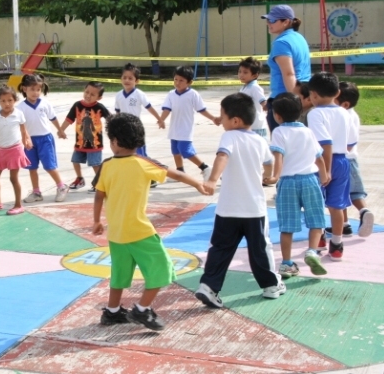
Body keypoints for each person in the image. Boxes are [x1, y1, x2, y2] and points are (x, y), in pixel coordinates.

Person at [94, 114, 207, 331]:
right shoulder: (143, 163)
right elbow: (174, 173)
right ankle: (142, 309)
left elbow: (99, 195)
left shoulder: (106, 166)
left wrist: (97, 220)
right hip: (139, 232)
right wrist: (197, 184)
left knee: (119, 273)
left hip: (116, 233)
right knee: (163, 269)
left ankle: (113, 311)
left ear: (115, 141)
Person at [195, 93, 282, 309]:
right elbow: (269, 164)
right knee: (260, 249)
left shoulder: (229, 137)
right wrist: (269, 177)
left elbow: (222, 156)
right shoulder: (260, 140)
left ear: (235, 121)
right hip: (254, 209)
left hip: (228, 209)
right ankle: (271, 286)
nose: (220, 121)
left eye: (222, 117)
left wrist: (213, 180)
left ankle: (209, 286)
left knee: (220, 249)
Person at [263, 93, 328, 278]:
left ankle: (286, 263)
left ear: (277, 116)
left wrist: (275, 176)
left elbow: (279, 156)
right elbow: (319, 158)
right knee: (316, 220)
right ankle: (312, 252)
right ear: (300, 112)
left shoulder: (279, 132)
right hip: (309, 179)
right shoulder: (307, 131)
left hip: (288, 182)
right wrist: (323, 176)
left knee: (287, 226)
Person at [307, 72, 354, 261]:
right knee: (337, 206)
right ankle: (337, 245)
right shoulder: (344, 112)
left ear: (314, 95)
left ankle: (319, 240)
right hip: (343, 161)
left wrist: (324, 170)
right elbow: (350, 141)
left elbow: (325, 144)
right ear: (337, 92)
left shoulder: (315, 113)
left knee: (315, 204)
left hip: (323, 161)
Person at [158, 66, 221, 180]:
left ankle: (205, 167)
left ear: (190, 82)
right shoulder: (171, 94)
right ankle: (180, 171)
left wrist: (213, 118)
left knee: (185, 151)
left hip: (185, 129)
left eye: (181, 80)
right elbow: (167, 109)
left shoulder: (193, 94)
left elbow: (201, 109)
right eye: (176, 79)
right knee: (175, 151)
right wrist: (161, 119)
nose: (177, 82)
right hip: (174, 128)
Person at [15, 74, 69, 203]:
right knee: (32, 167)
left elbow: (53, 118)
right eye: (32, 89)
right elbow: (21, 126)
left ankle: (61, 187)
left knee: (49, 166)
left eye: (38, 89)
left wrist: (60, 130)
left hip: (45, 140)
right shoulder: (20, 108)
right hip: (30, 141)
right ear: (24, 89)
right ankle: (36, 192)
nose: (35, 92)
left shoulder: (45, 104)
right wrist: (24, 139)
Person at [0, 86, 32, 215]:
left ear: (15, 100)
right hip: (1, 151)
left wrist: (27, 140)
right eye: (3, 101)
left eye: (10, 100)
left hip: (15, 150)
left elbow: (23, 130)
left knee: (13, 178)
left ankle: (18, 205)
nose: (7, 103)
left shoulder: (18, 114)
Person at [263, 5, 311, 132]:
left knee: (282, 148)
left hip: (285, 101)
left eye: (273, 20)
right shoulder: (300, 38)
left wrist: (294, 103)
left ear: (286, 22)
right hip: (304, 95)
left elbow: (289, 73)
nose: (268, 23)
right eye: (267, 20)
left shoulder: (281, 43)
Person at [336, 82, 374, 237]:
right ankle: (344, 224)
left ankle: (364, 212)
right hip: (351, 160)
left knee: (345, 194)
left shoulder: (343, 116)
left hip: (343, 159)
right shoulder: (352, 114)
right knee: (346, 193)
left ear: (344, 104)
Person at [114, 64, 162, 187]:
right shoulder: (118, 95)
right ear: (121, 79)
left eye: (130, 78)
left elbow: (149, 107)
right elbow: (117, 113)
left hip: (136, 128)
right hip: (123, 130)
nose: (127, 80)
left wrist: (159, 119)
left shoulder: (139, 94)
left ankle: (152, 176)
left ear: (137, 81)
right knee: (125, 154)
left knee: (140, 154)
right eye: (124, 77)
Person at [58, 81, 111, 192]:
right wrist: (61, 129)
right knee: (75, 160)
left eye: (92, 94)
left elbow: (110, 119)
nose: (88, 95)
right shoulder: (77, 105)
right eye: (87, 92)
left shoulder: (99, 107)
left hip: (94, 143)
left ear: (99, 97)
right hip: (80, 141)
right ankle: (79, 179)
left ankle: (100, 183)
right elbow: (69, 119)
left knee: (95, 164)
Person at [238, 57, 269, 138]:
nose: (241, 74)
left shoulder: (255, 88)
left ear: (255, 75)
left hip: (256, 126)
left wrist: (268, 108)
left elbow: (263, 103)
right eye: (240, 71)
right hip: (247, 125)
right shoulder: (244, 88)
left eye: (245, 72)